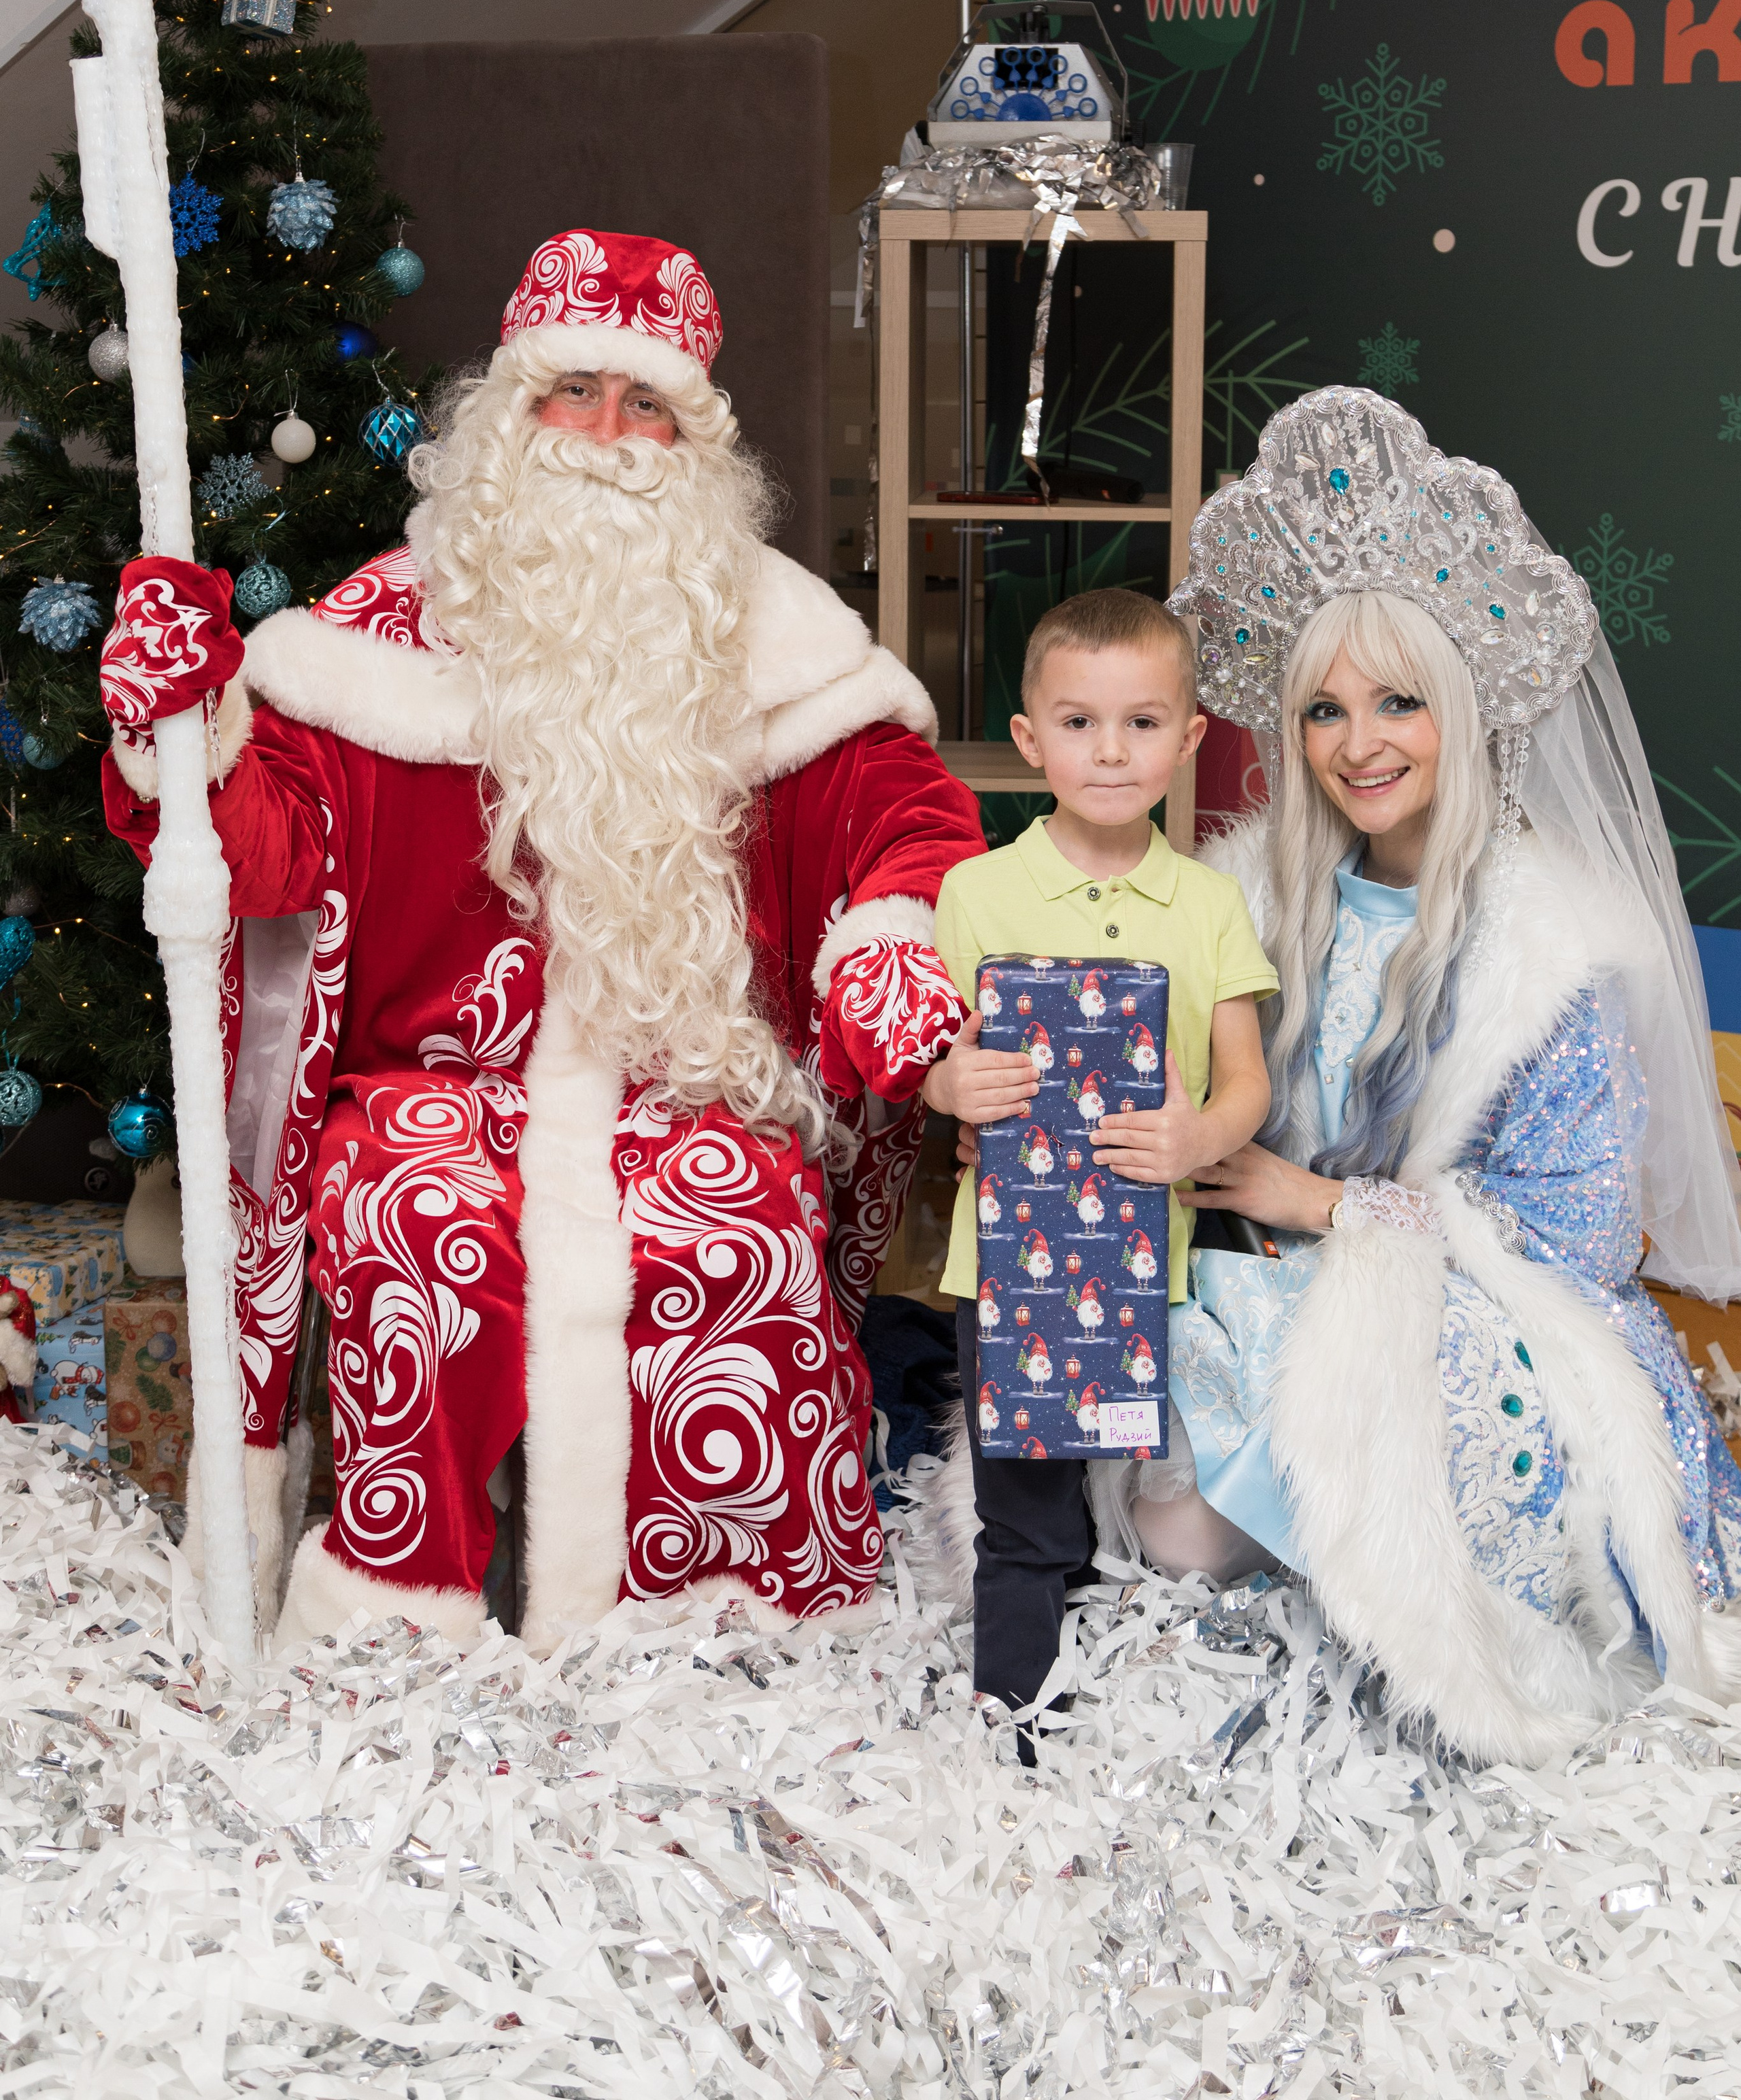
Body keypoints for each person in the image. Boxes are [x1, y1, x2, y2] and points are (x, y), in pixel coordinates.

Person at [99, 228, 983, 1650]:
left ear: (694, 446)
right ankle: (400, 1626)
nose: (608, 437)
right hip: (435, 1088)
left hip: (691, 1084)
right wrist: (185, 735)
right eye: (576, 392)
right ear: (513, 412)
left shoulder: (772, 632)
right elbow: (265, 853)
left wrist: (892, 927)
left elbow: (900, 808)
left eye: (648, 407)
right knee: (421, 1224)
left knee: (738, 1226)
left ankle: (726, 1642)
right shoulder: (375, 633)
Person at [1146, 383, 1741, 1765]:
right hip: (1260, 1282)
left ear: (1461, 711)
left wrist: (1321, 1208)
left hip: (1480, 1319)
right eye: (1324, 710)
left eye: (1398, 703)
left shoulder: (1553, 949)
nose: (1359, 745)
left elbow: (1574, 1240)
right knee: (1167, 1520)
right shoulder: (1244, 900)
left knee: (1291, 1477)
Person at [922, 588, 1277, 1722]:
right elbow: (935, 1063)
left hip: (1143, 1259)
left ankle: (1128, 1682)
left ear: (1190, 738)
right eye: (1079, 723)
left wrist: (1198, 1136)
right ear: (1030, 741)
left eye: (1141, 723)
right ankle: (1017, 1717)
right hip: (1009, 1265)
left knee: (1135, 1496)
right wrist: (947, 1089)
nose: (1111, 752)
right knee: (1024, 1508)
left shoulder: (1210, 903)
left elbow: (1248, 1082)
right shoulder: (975, 893)